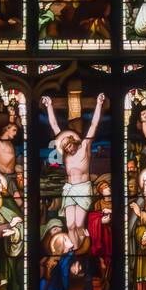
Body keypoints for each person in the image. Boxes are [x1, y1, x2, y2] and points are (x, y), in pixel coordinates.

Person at [42, 93, 106, 247]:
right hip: (69, 189)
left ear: (74, 142)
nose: (68, 150)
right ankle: (75, 249)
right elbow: (54, 125)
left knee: (78, 225)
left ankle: (81, 244)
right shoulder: (65, 156)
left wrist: (98, 104)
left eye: (69, 146)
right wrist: (49, 105)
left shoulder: (85, 147)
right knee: (70, 226)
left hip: (83, 189)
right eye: (65, 148)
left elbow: (93, 126)